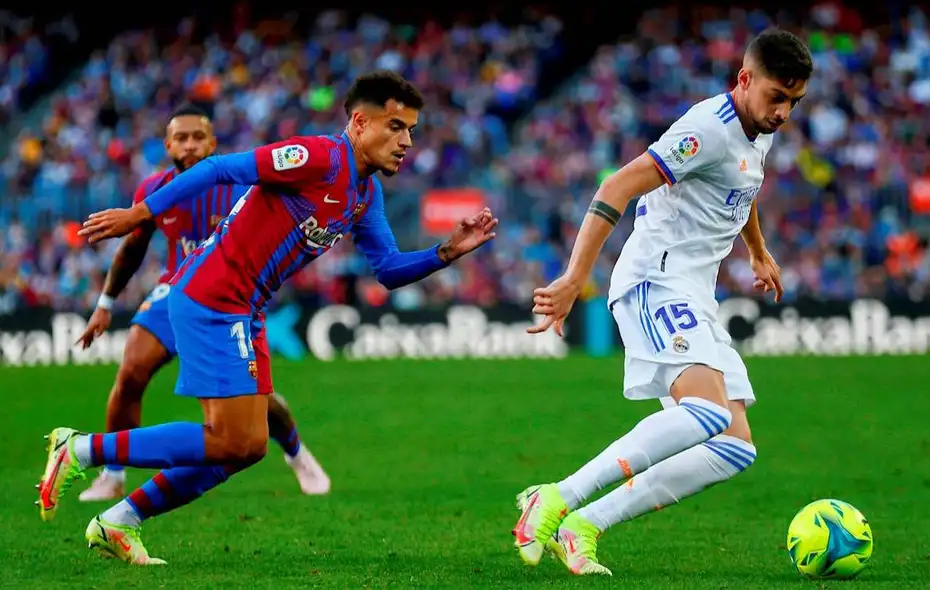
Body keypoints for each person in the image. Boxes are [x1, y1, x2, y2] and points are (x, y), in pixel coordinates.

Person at [38, 70, 498, 565]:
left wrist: (446, 252)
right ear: (360, 123)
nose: (406, 141)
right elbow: (218, 170)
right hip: (212, 295)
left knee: (246, 447)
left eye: (411, 130)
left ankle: (119, 521)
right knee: (229, 437)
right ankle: (81, 451)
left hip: (246, 308)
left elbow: (387, 269)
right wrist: (139, 213)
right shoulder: (317, 157)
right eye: (396, 127)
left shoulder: (365, 194)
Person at [511, 29, 813, 576]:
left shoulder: (757, 129)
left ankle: (585, 526)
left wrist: (759, 251)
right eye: (776, 97)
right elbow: (616, 187)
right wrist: (574, 278)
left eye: (794, 101)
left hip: (696, 293)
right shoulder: (707, 131)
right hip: (656, 280)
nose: (784, 113)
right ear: (744, 79)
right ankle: (556, 497)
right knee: (704, 414)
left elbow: (743, 189)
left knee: (734, 445)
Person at [75, 105, 330, 502]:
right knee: (130, 373)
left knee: (257, 403)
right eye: (182, 138)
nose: (191, 145)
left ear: (213, 143)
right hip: (173, 292)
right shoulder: (153, 190)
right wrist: (105, 303)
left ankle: (297, 452)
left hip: (226, 302)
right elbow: (133, 250)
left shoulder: (239, 187)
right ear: (168, 145)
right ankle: (112, 473)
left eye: (199, 137)